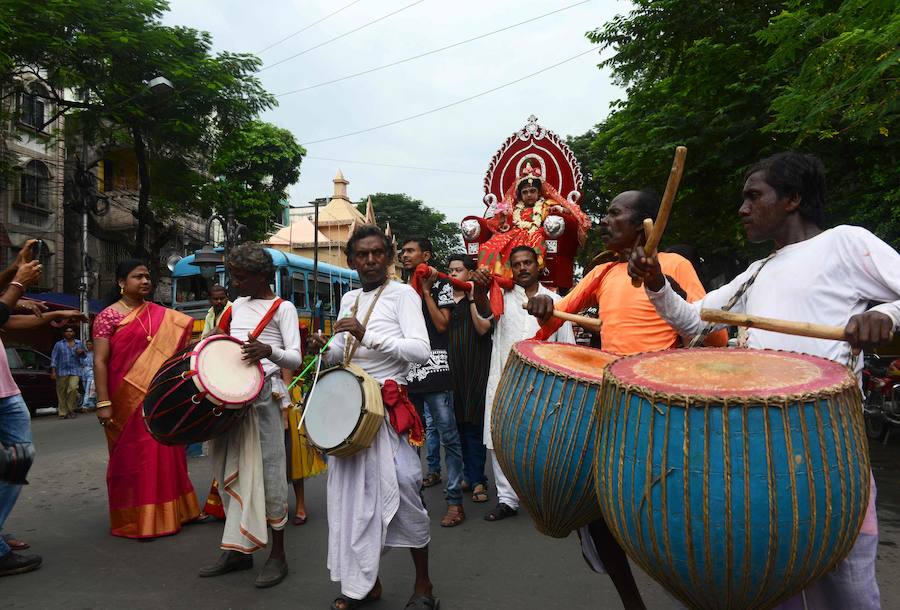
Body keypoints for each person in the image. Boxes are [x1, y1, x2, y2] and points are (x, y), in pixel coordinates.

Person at [629, 152, 900, 610]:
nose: (743, 208)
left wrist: (884, 314)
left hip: (831, 451)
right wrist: (656, 283)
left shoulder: (845, 243)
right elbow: (695, 323)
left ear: (793, 199)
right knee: (775, 588)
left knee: (848, 594)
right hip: (764, 457)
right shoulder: (757, 272)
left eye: (754, 196)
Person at [527, 190, 727, 610]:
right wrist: (543, 306)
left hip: (665, 410)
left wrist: (665, 288)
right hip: (613, 406)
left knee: (674, 517)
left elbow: (716, 336)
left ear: (644, 225)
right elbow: (553, 320)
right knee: (597, 515)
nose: (605, 220)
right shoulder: (603, 273)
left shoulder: (675, 265)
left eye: (615, 213)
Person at [309, 225, 437, 610]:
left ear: (389, 257)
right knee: (350, 500)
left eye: (377, 253)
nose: (369, 260)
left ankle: (424, 586)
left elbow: (420, 351)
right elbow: (341, 352)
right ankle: (364, 584)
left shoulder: (403, 296)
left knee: (405, 485)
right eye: (362, 255)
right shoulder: (348, 297)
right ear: (351, 260)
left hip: (385, 409)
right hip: (350, 413)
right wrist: (325, 348)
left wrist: (369, 337)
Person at [198, 243, 302, 589]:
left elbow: (295, 359)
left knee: (271, 477)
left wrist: (268, 350)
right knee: (228, 472)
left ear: (262, 277)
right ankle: (238, 550)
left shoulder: (282, 308)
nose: (235, 284)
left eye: (241, 278)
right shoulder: (236, 306)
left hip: (263, 402)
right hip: (230, 403)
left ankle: (279, 555)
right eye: (234, 277)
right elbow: (221, 342)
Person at [92, 259, 200, 539]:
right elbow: (100, 361)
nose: (145, 281)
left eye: (147, 277)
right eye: (137, 277)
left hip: (158, 397)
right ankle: (135, 518)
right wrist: (103, 402)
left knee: (165, 451)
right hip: (123, 398)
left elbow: (179, 354)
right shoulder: (108, 316)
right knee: (131, 459)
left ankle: (176, 512)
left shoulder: (163, 315)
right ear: (121, 282)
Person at [471, 245, 575, 522]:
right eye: (516, 264)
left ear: (538, 265)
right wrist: (480, 289)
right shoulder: (501, 297)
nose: (522, 268)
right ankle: (507, 499)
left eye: (527, 262)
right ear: (511, 269)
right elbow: (483, 313)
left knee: (547, 441)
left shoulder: (555, 300)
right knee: (499, 440)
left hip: (545, 386)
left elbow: (568, 348)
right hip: (505, 381)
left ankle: (547, 497)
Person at [0, 240, 83, 576]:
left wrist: (50, 313)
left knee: (20, 458)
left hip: (6, 392)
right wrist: (18, 283)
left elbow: (4, 322)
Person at [401, 237, 466, 528]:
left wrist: (426, 292)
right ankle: (416, 503)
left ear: (425, 255)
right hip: (408, 373)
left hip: (437, 371)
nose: (404, 255)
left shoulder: (440, 284)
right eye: (402, 251)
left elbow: (442, 324)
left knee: (449, 437)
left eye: (410, 251)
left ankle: (454, 502)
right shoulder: (402, 290)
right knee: (410, 442)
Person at [477, 161, 589, 280]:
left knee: (534, 243)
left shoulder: (546, 204)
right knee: (490, 245)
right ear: (520, 195)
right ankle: (491, 274)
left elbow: (571, 211)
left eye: (532, 191)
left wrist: (559, 209)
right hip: (514, 233)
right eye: (525, 192)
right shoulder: (514, 208)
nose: (529, 195)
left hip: (536, 233)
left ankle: (521, 274)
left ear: (539, 192)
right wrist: (503, 218)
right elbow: (502, 225)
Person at [445, 254, 492, 503]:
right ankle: (467, 475)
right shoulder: (444, 300)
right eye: (451, 270)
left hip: (476, 370)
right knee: (457, 427)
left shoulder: (482, 298)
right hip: (452, 372)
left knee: (474, 426)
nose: (453, 274)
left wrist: (472, 297)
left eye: (459, 270)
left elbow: (483, 328)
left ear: (470, 273)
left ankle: (478, 481)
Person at [283, 368, 326, 526]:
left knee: (294, 452)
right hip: (262, 392)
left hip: (288, 393)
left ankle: (300, 505)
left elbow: (289, 362)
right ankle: (274, 505)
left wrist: (285, 407)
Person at [50, 326, 86, 420]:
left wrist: (81, 352)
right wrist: (53, 371)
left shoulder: (79, 343)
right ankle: (63, 412)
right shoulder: (59, 344)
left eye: (71, 331)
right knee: (61, 392)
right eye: (67, 331)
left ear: (74, 333)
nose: (69, 333)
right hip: (62, 371)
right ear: (64, 333)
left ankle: (71, 409)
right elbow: (54, 358)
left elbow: (84, 356)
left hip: (75, 370)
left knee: (73, 388)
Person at [79, 340, 96, 412]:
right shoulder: (84, 354)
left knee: (88, 389)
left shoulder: (95, 354)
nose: (88, 346)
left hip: (91, 372)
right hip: (83, 373)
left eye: (90, 344)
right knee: (86, 388)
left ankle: (85, 405)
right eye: (87, 344)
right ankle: (92, 404)